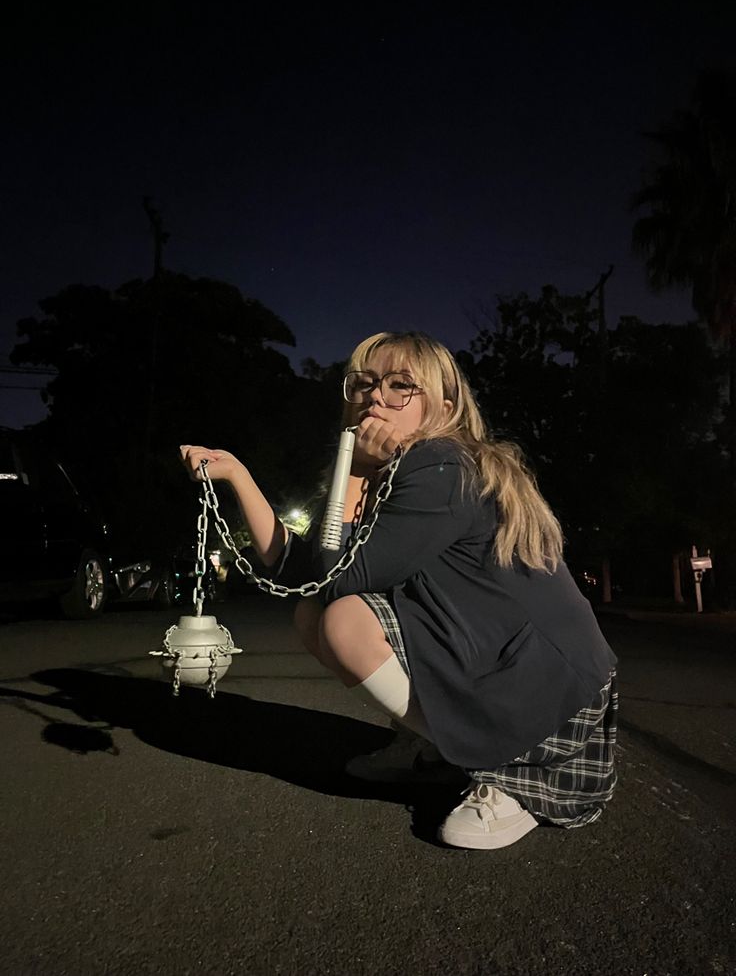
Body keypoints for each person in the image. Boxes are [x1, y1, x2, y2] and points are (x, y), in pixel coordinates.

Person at [180, 331, 617, 850]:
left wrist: (357, 467)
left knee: (344, 619)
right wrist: (237, 475)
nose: (375, 396)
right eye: (364, 383)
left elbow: (337, 580)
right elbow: (304, 575)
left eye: (400, 385)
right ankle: (432, 747)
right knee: (313, 614)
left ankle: (505, 771)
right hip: (490, 658)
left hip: (551, 690)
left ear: (444, 408)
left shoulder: (441, 464)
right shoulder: (395, 471)